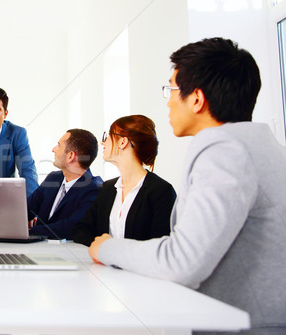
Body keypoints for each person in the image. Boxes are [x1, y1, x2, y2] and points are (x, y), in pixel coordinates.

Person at [88, 38, 286, 334]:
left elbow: (181, 261)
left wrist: (106, 248)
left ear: (196, 99)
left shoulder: (226, 152)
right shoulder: (253, 144)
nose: (167, 100)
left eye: (171, 89)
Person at [72, 115, 176, 246]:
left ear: (123, 142)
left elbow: (161, 246)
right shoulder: (108, 188)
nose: (103, 142)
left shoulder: (161, 191)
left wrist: (111, 248)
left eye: (108, 135)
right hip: (103, 266)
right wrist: (104, 248)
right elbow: (81, 230)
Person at [27, 129, 103, 239]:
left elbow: (69, 228)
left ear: (70, 156)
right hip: (36, 250)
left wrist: (28, 231)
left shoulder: (95, 189)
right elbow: (26, 210)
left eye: (58, 145)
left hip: (69, 253)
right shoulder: (53, 178)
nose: (53, 149)